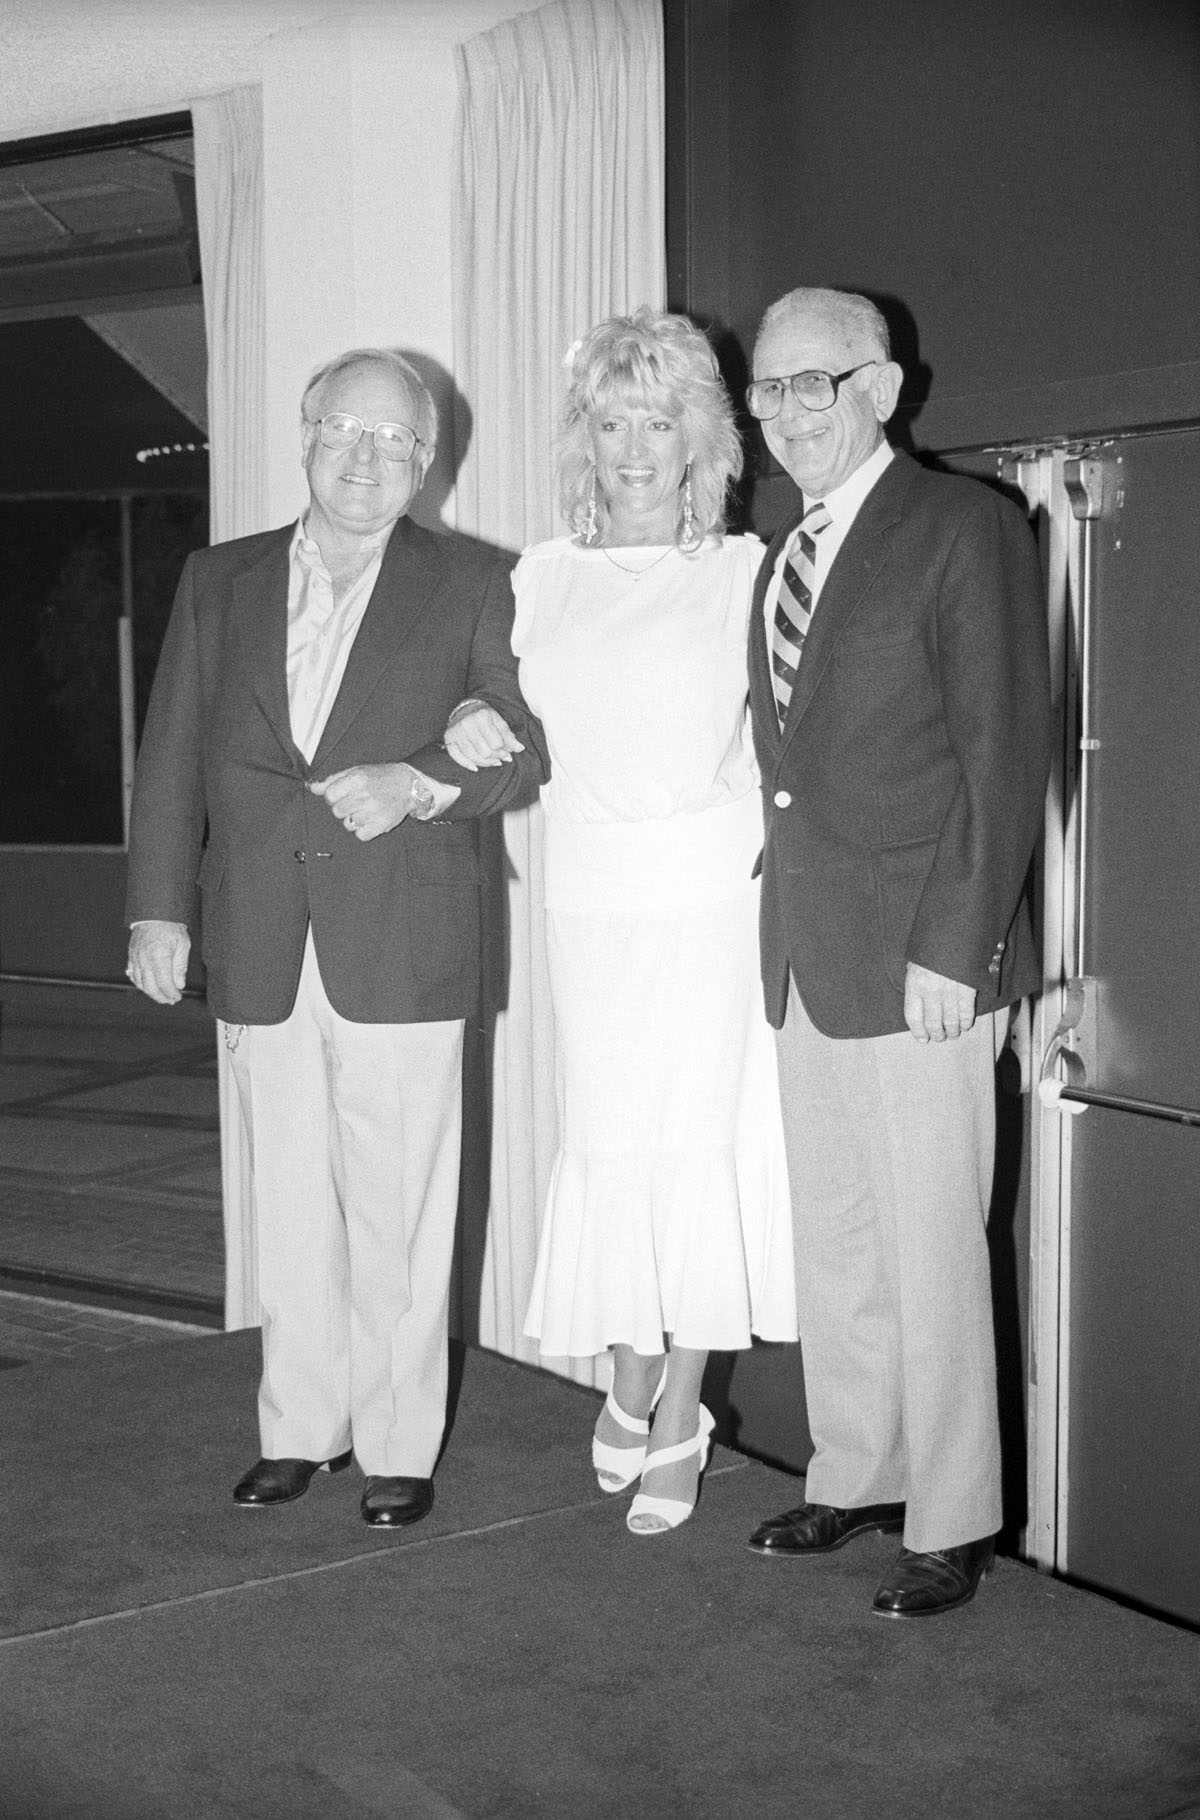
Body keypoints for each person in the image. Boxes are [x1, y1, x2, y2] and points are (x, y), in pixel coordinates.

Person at [125, 347, 547, 1528]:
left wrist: (421, 778)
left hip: (402, 935)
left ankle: (398, 1441)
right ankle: (299, 1427)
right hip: (257, 928)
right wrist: (157, 906)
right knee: (288, 1202)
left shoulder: (475, 581)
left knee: (399, 1204)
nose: (367, 458)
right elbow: (171, 750)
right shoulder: (220, 578)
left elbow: (520, 746)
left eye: (395, 439)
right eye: (346, 431)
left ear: (428, 459)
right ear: (306, 435)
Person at [445, 308, 797, 1536]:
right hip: (590, 897)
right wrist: (469, 722)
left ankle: (681, 1403)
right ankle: (631, 1362)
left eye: (659, 421)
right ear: (582, 440)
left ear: (702, 439)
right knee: (612, 1141)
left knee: (700, 1148)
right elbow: (499, 718)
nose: (635, 448)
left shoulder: (749, 573)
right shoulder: (538, 578)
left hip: (710, 895)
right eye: (610, 422)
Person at [742, 287, 1051, 1616]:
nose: (787, 412)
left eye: (813, 383)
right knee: (841, 1241)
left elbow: (1003, 751)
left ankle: (954, 1514)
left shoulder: (962, 526)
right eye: (768, 389)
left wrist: (960, 947)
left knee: (932, 1247)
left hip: (926, 958)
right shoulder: (781, 551)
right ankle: (860, 1471)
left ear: (881, 388)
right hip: (809, 954)